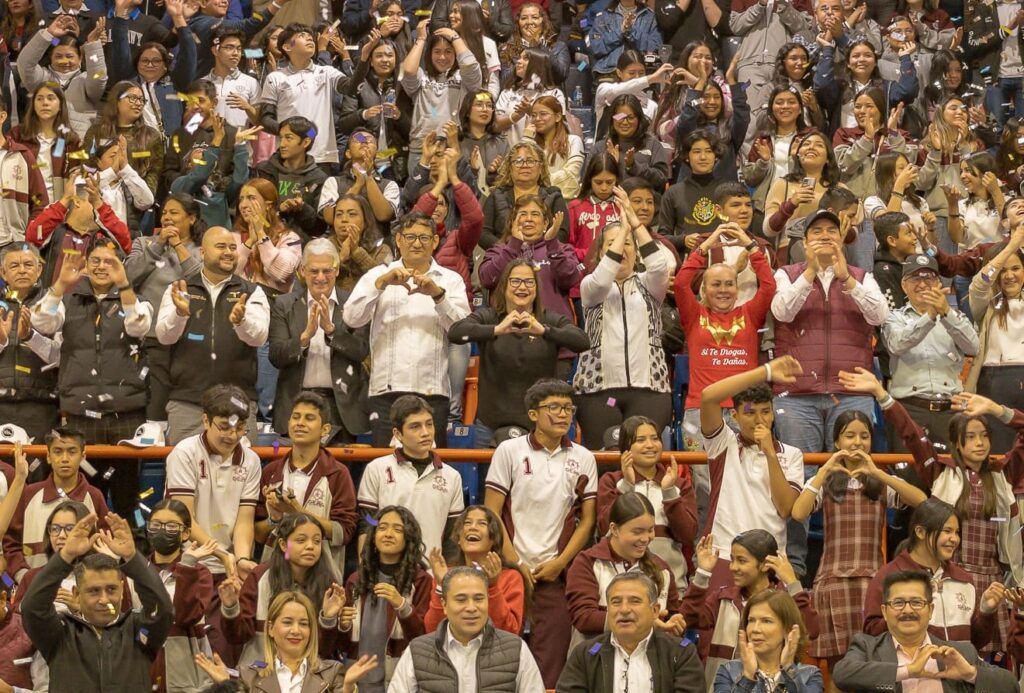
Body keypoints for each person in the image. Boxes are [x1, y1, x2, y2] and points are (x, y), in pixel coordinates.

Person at [843, 368, 1024, 653]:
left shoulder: (1004, 474)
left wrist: (995, 408)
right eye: (971, 437)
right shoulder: (940, 472)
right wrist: (881, 393)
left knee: (991, 670)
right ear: (957, 443)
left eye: (984, 436)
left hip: (993, 582)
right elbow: (911, 433)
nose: (980, 443)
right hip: (950, 580)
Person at [789, 410, 927, 675]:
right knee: (839, 671)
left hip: (871, 584)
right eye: (849, 436)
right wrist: (825, 469)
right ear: (837, 441)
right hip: (833, 582)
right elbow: (798, 512)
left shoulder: (879, 482)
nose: (857, 442)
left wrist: (878, 472)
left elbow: (920, 501)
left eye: (864, 436)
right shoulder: (826, 482)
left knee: (874, 664)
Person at [485, 378, 598, 687]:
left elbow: (587, 521)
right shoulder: (509, 451)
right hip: (509, 572)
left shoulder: (584, 457)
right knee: (501, 661)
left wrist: (560, 563)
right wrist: (516, 563)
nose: (563, 415)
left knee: (551, 667)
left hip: (556, 576)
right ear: (533, 414)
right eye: (554, 408)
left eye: (568, 408)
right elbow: (492, 512)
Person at [30, 238, 151, 521]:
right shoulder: (69, 299)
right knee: (82, 490)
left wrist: (124, 287)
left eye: (110, 261)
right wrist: (60, 285)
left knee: (127, 492)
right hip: (79, 412)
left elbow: (139, 326)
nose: (101, 267)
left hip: (126, 411)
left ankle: (131, 546)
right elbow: (41, 323)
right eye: (95, 260)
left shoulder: (133, 299)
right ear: (85, 265)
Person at [343, 213, 471, 447]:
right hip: (386, 392)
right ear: (398, 240)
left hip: (433, 392)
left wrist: (438, 295)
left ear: (434, 242)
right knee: (386, 469)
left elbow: (463, 333)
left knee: (430, 469)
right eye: (410, 236)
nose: (416, 243)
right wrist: (380, 285)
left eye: (424, 237)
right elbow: (351, 318)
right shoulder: (376, 275)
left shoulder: (451, 281)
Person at [21, 512, 173, 692]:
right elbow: (32, 609)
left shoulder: (139, 633)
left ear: (122, 590)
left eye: (111, 589)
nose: (104, 599)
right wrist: (65, 556)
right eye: (93, 591)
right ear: (76, 594)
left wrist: (133, 558)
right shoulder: (59, 635)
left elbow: (162, 609)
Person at [449, 259, 589, 446]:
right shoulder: (489, 316)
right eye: (515, 281)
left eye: (529, 282)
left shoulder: (548, 319)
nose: (522, 287)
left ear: (536, 288)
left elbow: (582, 342)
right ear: (504, 286)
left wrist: (545, 331)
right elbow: (456, 333)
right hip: (489, 424)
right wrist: (496, 330)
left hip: (538, 425)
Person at [573, 193, 675, 449]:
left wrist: (635, 226)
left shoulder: (649, 285)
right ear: (602, 252)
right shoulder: (591, 286)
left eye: (629, 244)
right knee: (606, 460)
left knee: (645, 457)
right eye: (614, 244)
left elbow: (660, 267)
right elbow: (603, 275)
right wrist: (622, 232)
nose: (622, 249)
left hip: (649, 389)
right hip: (599, 391)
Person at [155, 227, 271, 443]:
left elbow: (259, 337)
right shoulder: (179, 289)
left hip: (239, 403)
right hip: (187, 403)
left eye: (232, 247)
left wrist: (241, 321)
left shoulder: (252, 291)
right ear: (202, 252)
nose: (228, 252)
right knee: (184, 473)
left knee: (240, 474)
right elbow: (164, 337)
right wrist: (180, 314)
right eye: (220, 246)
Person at [833, 570, 1020, 692]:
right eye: (898, 603)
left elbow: (1010, 685)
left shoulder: (958, 652)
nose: (907, 610)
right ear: (884, 611)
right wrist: (908, 671)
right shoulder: (867, 647)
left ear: (930, 610)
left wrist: (970, 673)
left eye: (916, 602)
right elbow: (842, 675)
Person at [859, 497, 1004, 650]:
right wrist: (907, 612)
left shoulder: (964, 580)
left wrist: (986, 612)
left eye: (957, 532)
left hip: (959, 671)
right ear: (920, 532)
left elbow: (976, 641)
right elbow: (872, 634)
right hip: (911, 672)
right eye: (947, 531)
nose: (954, 539)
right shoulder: (889, 577)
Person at [684, 529, 819, 687]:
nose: (733, 567)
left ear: (763, 565)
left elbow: (811, 630)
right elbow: (688, 618)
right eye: (732, 560)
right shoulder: (722, 598)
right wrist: (702, 573)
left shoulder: (783, 602)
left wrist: (792, 583)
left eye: (741, 561)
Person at [269, 240, 370, 444]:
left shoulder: (354, 302)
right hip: (296, 404)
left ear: (337, 270)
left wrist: (332, 332)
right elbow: (276, 356)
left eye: (327, 271)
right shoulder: (284, 304)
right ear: (302, 271)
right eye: (314, 271)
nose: (321, 278)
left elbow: (361, 351)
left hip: (341, 408)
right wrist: (304, 339)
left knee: (340, 474)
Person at [164, 385, 261, 594]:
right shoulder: (184, 453)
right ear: (206, 421)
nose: (232, 435)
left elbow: (245, 520)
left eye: (240, 427)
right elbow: (184, 517)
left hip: (229, 565)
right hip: (186, 560)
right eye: (224, 427)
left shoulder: (252, 461)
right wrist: (220, 553)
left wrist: (242, 558)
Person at [219, 512, 345, 669]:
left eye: (317, 541)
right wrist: (231, 607)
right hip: (261, 670)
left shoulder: (329, 583)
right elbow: (237, 636)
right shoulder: (260, 576)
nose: (310, 546)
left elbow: (326, 650)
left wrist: (328, 619)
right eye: (301, 540)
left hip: (308, 676)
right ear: (283, 544)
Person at [389, 566, 545, 692]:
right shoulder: (417, 651)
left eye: (478, 599)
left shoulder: (516, 650)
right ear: (444, 604)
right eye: (461, 599)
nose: (471, 608)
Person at [566, 492, 686, 649]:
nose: (645, 538)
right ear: (614, 529)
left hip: (648, 664)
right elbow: (584, 618)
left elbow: (669, 616)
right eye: (637, 532)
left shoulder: (662, 568)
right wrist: (644, 624)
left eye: (650, 530)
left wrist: (673, 623)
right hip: (595, 663)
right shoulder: (588, 563)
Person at [882, 254, 979, 448]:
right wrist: (931, 315)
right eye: (915, 278)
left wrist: (945, 313)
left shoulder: (955, 316)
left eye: (929, 278)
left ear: (938, 283)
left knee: (952, 474)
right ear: (903, 285)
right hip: (909, 409)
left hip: (950, 409)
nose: (923, 284)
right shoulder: (894, 318)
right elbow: (897, 344)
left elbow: (973, 347)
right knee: (908, 474)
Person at [256, 392, 358, 574]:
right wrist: (275, 519)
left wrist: (298, 512)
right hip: (275, 574)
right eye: (295, 417)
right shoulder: (271, 472)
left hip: (321, 577)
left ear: (325, 429)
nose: (300, 423)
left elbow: (344, 533)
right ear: (288, 424)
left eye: (309, 418)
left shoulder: (338, 473)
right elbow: (257, 533)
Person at [125, 193, 205, 426]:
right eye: (165, 212)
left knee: (186, 408)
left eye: (175, 212)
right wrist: (159, 245)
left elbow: (201, 280)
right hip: (152, 340)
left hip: (191, 339)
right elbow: (127, 277)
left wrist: (179, 246)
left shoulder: (202, 248)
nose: (167, 217)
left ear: (191, 218)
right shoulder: (144, 243)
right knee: (155, 408)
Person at [196, 591, 377, 693]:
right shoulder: (248, 674)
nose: (296, 630)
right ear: (270, 629)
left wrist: (347, 686)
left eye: (304, 624)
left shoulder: (332, 672)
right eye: (288, 622)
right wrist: (227, 684)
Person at [556, 572, 705, 693]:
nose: (624, 609)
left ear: (654, 611)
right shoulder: (585, 654)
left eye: (634, 601)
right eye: (616, 602)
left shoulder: (681, 653)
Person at [357, 394, 465, 559]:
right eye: (415, 427)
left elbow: (452, 540)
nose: (425, 433)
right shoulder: (376, 469)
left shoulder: (452, 476)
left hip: (431, 577)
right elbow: (368, 524)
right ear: (398, 434)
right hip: (384, 573)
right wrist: (367, 571)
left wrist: (445, 579)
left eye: (429, 425)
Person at [339, 505, 432, 693]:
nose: (388, 534)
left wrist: (402, 606)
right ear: (373, 536)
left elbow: (423, 639)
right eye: (382, 528)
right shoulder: (355, 580)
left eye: (397, 529)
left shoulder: (420, 580)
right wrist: (342, 623)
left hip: (399, 682)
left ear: (409, 539)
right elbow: (341, 644)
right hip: (357, 682)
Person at [597, 416, 697, 591]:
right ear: (625, 448)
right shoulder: (611, 481)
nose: (650, 445)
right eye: (640, 440)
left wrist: (669, 492)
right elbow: (605, 528)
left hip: (671, 585)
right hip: (620, 586)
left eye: (655, 438)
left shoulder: (679, 484)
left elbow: (687, 535)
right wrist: (626, 486)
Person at [3, 428, 109, 584]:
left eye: (72, 452)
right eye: (57, 452)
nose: (64, 458)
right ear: (48, 456)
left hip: (82, 591)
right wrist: (24, 577)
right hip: (33, 588)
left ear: (83, 456)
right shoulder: (28, 493)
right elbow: (11, 543)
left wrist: (87, 583)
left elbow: (104, 547)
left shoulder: (94, 496)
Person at [145, 498, 218, 693]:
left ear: (185, 533)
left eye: (171, 526)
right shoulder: (136, 570)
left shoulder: (199, 573)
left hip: (185, 672)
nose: (162, 530)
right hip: (142, 667)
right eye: (156, 524)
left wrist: (186, 567)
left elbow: (186, 616)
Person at [257, 23, 348, 167]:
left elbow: (351, 87)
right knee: (287, 190)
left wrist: (363, 60)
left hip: (322, 156)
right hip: (289, 156)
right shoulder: (276, 77)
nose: (309, 39)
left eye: (310, 36)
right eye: (301, 36)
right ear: (287, 47)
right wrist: (288, 132)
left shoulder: (326, 72)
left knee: (321, 190)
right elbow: (266, 118)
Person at [425, 505, 526, 634]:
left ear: (493, 539)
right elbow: (432, 630)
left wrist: (493, 587)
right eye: (467, 523)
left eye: (482, 523)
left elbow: (509, 631)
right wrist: (441, 584)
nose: (473, 527)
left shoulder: (510, 577)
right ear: (459, 539)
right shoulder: (446, 574)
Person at [27, 169, 133, 289]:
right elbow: (32, 238)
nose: (100, 207)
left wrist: (98, 203)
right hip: (52, 304)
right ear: (77, 201)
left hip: (90, 306)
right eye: (92, 200)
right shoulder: (55, 231)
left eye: (99, 200)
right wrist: (65, 200)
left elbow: (125, 244)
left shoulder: (102, 238)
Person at [966, 236, 1024, 452]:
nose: (1009, 276)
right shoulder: (985, 302)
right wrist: (1012, 246)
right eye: (1003, 270)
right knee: (999, 454)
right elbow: (981, 282)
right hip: (994, 382)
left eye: (1016, 268)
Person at [400, 21, 483, 171]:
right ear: (429, 53)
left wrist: (455, 37)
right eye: (437, 51)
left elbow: (470, 65)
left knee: (453, 194)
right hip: (421, 150)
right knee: (419, 193)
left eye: (448, 52)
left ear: (456, 54)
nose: (442, 57)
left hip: (452, 148)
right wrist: (421, 39)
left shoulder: (463, 79)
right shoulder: (421, 77)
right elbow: (408, 70)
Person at [107, 0, 196, 139]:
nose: (149, 65)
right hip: (136, 148)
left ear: (165, 65)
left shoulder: (177, 83)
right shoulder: (128, 83)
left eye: (156, 61)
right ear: (136, 64)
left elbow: (189, 52)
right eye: (144, 60)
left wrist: (178, 18)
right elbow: (120, 48)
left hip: (170, 152)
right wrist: (121, 15)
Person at [0, 244, 60, 443]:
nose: (22, 270)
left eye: (28, 264)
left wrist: (30, 337)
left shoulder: (55, 304)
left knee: (37, 471)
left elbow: (62, 357)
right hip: (1, 405)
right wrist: (1, 341)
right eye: (15, 265)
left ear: (40, 269)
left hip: (40, 407)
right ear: (3, 272)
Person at [712, 591, 824, 693]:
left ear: (787, 629)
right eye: (751, 620)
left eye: (766, 621)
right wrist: (747, 678)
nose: (755, 629)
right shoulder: (729, 671)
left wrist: (789, 670)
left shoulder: (810, 675)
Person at [16, 16, 106, 138]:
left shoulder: (85, 80)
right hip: (44, 143)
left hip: (78, 145)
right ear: (50, 58)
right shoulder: (42, 78)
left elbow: (99, 77)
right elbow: (24, 64)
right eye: (58, 56)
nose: (64, 61)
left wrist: (93, 45)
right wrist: (48, 34)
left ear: (80, 58)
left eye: (69, 56)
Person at [479, 140, 570, 249]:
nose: (524, 165)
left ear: (541, 167)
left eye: (531, 161)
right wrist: (509, 249)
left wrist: (537, 250)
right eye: (518, 161)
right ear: (510, 168)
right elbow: (483, 234)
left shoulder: (554, 195)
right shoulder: (496, 195)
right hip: (504, 258)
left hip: (545, 259)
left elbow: (562, 233)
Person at [254, 116, 329, 237]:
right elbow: (253, 213)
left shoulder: (319, 178)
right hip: (265, 238)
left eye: (288, 138)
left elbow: (318, 228)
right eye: (281, 137)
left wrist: (302, 209)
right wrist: (278, 210)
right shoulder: (264, 171)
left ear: (305, 142)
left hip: (301, 244)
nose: (282, 144)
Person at [204, 26, 259, 130]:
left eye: (239, 49)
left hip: (240, 144)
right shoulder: (202, 83)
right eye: (229, 48)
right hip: (209, 143)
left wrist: (248, 107)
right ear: (215, 50)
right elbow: (191, 122)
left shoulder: (251, 82)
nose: (235, 53)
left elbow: (259, 122)